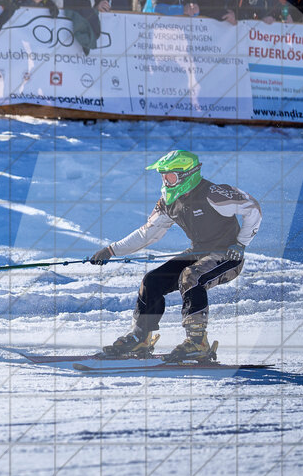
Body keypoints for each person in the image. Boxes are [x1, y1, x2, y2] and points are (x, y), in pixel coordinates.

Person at [89, 150, 261, 363]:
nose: (166, 182)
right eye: (163, 177)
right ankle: (140, 337)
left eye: (170, 177)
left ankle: (197, 342)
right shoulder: (168, 203)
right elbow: (147, 234)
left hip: (228, 255)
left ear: (187, 175)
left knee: (191, 276)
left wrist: (241, 243)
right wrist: (111, 250)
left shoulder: (214, 194)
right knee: (152, 280)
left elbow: (252, 209)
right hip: (198, 252)